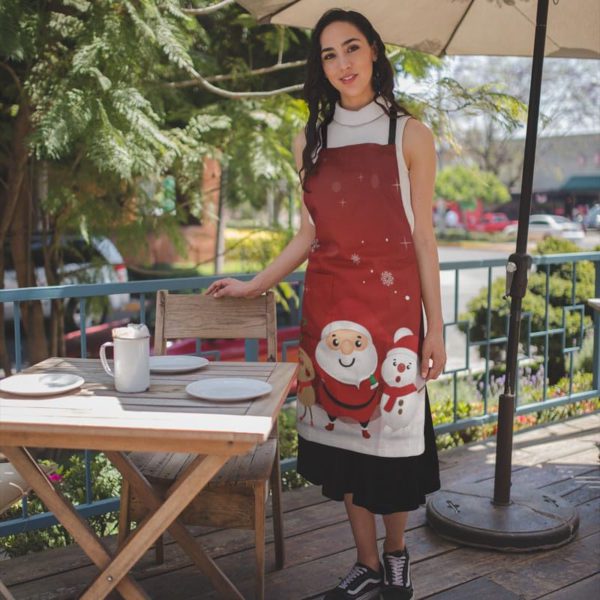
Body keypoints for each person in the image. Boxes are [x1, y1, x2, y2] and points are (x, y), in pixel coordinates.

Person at [206, 9, 445, 600]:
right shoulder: (308, 139)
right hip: (329, 308)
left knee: (391, 441)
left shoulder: (410, 134)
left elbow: (423, 237)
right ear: (321, 66)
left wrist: (435, 328)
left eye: (352, 48)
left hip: (392, 320)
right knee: (341, 441)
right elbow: (309, 235)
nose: (342, 63)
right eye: (329, 54)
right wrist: (255, 284)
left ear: (374, 54)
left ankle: (396, 554)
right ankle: (364, 562)